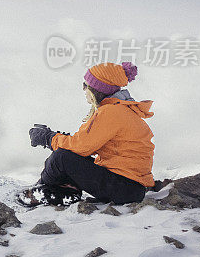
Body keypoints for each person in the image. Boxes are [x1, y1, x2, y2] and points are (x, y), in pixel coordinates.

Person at [17, 61, 155, 207]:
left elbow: (81, 146)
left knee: (61, 158)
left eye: (86, 85)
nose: (83, 88)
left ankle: (38, 193)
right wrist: (59, 138)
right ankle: (64, 192)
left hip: (124, 187)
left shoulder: (111, 112)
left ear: (96, 89)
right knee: (70, 156)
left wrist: (48, 138)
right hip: (128, 186)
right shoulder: (120, 110)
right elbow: (85, 145)